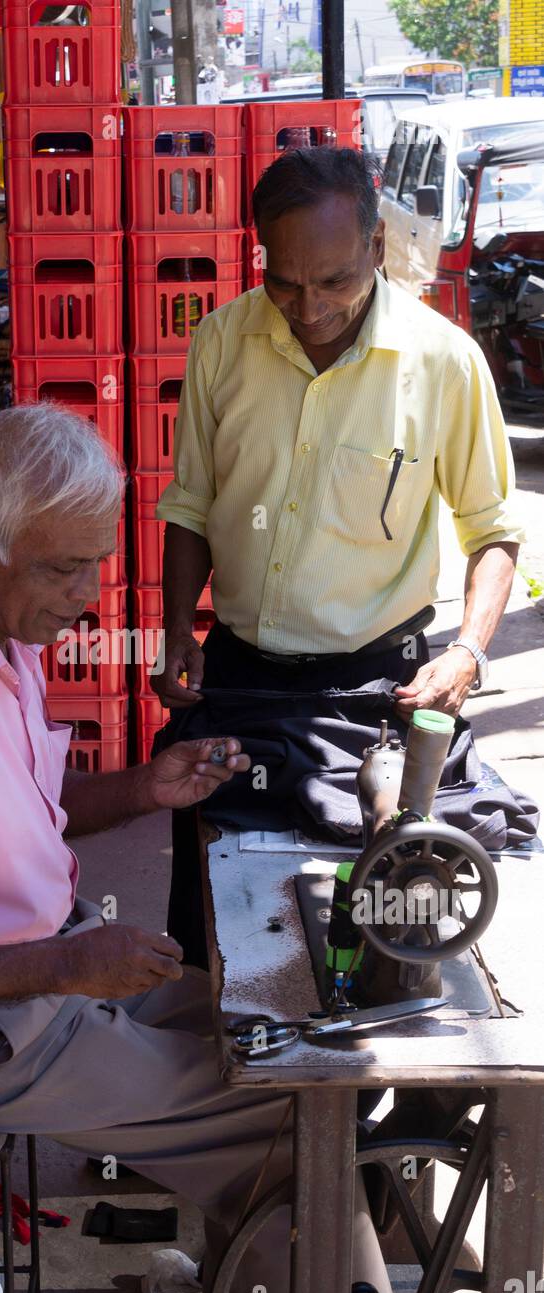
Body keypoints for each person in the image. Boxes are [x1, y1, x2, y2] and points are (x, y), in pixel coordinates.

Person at [0, 405, 391, 1293]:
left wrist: (144, 788)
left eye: (97, 564)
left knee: (276, 1033)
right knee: (294, 1117)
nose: (86, 595)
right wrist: (66, 963)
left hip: (32, 982)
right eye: (65, 567)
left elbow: (12, 815)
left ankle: (250, 1278)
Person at [151, 146, 524, 968]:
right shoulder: (222, 341)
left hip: (378, 686)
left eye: (333, 282)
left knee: (402, 895)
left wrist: (466, 653)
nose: (308, 307)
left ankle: (402, 1066)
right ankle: (223, 1054)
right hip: (242, 677)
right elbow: (190, 506)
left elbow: (493, 532)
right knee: (223, 917)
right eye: (285, 283)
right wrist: (178, 629)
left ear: (376, 251)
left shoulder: (444, 362)